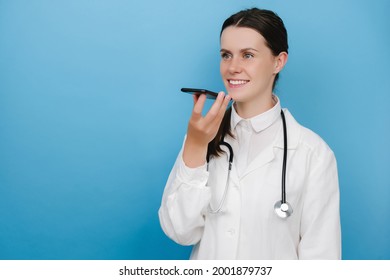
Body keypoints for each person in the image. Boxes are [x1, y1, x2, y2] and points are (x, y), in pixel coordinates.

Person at [158, 8, 341, 260]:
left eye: (248, 55)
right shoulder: (202, 137)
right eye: (226, 55)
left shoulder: (313, 154)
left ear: (278, 61)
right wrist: (195, 147)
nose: (233, 67)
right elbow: (180, 231)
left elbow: (322, 260)